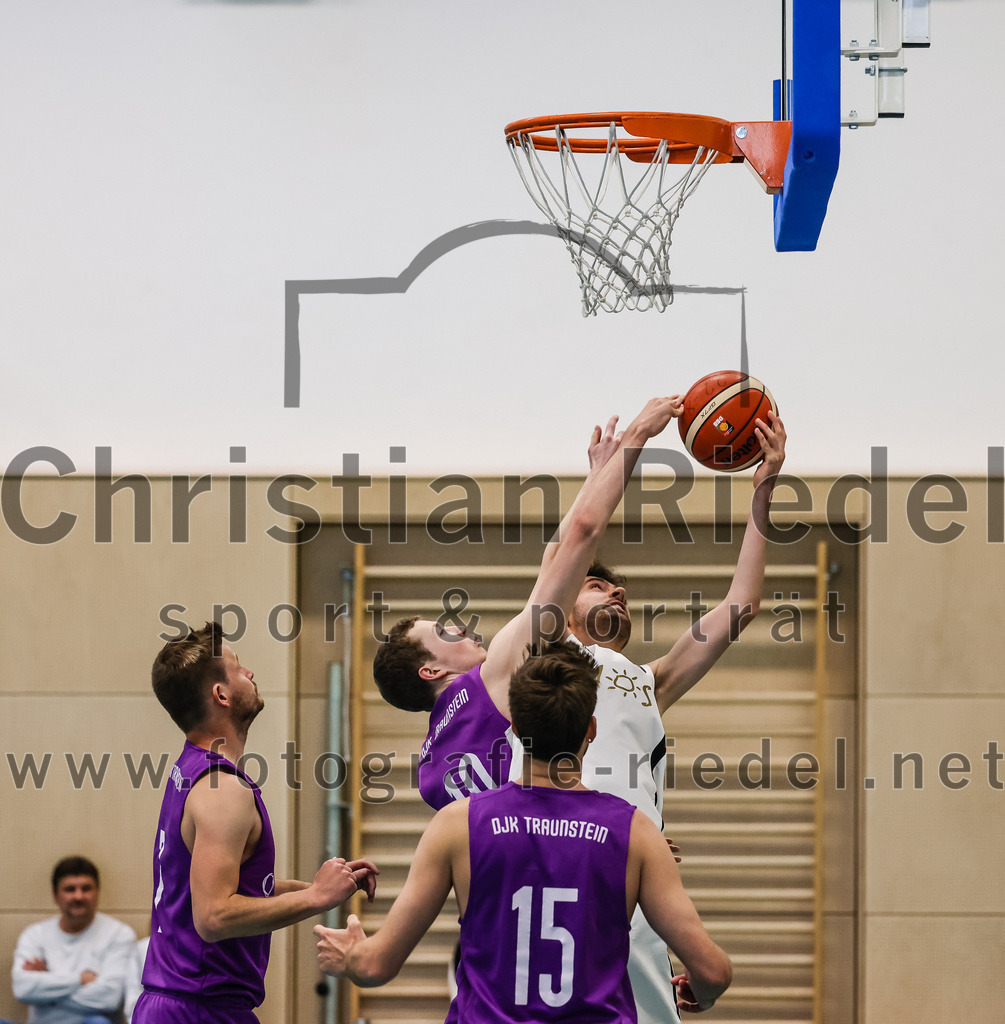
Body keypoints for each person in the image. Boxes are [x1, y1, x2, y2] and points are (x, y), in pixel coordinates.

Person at [373, 404, 786, 1024]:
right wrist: (625, 451)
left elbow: (742, 604)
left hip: (627, 892)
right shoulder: (535, 664)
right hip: (573, 880)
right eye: (596, 585)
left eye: (619, 588)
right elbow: (575, 538)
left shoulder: (651, 681)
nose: (616, 590)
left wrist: (765, 487)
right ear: (563, 605)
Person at [315, 641, 732, 1020]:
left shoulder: (458, 824)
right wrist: (702, 991)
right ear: (591, 729)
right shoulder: (637, 832)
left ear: (513, 729)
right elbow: (713, 970)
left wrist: (350, 954)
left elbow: (375, 966)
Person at [372, 396, 684, 809]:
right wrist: (636, 437)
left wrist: (596, 478)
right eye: (444, 631)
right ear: (431, 670)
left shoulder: (430, 769)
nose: (461, 628)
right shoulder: (490, 679)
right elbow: (568, 551)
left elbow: (555, 567)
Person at [132, 622, 379, 1024]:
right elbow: (213, 916)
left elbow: (229, 886)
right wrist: (315, 898)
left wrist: (322, 888)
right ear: (221, 694)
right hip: (198, 1010)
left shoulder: (192, 770)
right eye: (238, 668)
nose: (249, 673)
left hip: (183, 1005)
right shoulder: (222, 791)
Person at [9, 856, 136, 1024]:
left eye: (86, 888)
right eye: (70, 889)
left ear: (97, 892)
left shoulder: (119, 934)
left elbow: (110, 998)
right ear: (55, 895)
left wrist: (46, 985)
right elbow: (22, 989)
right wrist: (79, 979)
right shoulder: (34, 935)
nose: (78, 896)